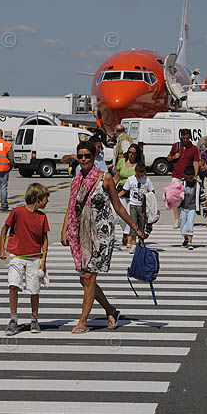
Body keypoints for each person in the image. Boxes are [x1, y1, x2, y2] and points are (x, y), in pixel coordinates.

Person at [61, 141, 145, 333]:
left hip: (101, 234)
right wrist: (64, 228)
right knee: (85, 280)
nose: (83, 160)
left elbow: (118, 206)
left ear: (94, 157)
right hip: (82, 233)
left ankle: (83, 321)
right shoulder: (76, 180)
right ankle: (110, 310)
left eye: (87, 156)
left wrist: (134, 228)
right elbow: (71, 206)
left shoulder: (104, 178)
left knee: (89, 277)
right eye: (80, 156)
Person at [0, 183, 50, 335]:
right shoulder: (17, 212)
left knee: (34, 289)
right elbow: (4, 228)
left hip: (34, 257)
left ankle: (34, 319)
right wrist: (2, 248)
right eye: (46, 198)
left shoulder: (42, 217)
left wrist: (43, 261)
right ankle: (13, 319)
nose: (47, 201)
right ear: (38, 199)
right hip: (16, 255)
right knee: (13, 285)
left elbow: (45, 239)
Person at [167, 129, 200, 228]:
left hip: (187, 177)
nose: (185, 140)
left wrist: (195, 175)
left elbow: (196, 163)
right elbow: (168, 158)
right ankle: (177, 219)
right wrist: (174, 157)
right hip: (176, 175)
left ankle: (185, 217)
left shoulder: (194, 149)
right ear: (181, 137)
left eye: (187, 138)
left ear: (190, 137)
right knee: (174, 198)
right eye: (183, 138)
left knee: (186, 198)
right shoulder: (176, 146)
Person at [119, 161, 154, 252]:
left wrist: (145, 196)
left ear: (144, 172)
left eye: (141, 175)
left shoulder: (147, 180)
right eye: (138, 174)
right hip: (133, 205)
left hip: (143, 206)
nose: (139, 176)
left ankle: (141, 241)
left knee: (142, 224)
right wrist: (115, 196)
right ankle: (133, 243)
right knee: (133, 224)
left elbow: (152, 192)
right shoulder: (130, 179)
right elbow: (124, 191)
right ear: (135, 171)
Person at [114, 144, 143, 245]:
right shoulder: (121, 162)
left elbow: (141, 179)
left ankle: (127, 234)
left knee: (130, 215)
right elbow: (116, 178)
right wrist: (111, 189)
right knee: (119, 214)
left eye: (134, 153)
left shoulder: (138, 164)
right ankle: (125, 231)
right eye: (130, 152)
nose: (131, 155)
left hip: (133, 191)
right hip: (121, 189)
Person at [178, 166, 206, 250]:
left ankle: (190, 242)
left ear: (194, 175)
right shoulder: (181, 184)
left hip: (192, 208)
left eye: (191, 177)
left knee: (190, 224)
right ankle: (186, 239)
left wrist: (205, 208)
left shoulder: (197, 185)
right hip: (182, 207)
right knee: (182, 226)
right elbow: (175, 193)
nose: (189, 179)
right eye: (187, 178)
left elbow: (202, 197)